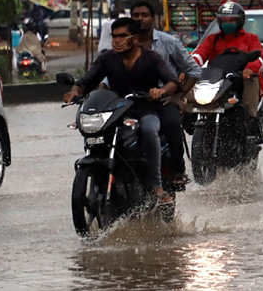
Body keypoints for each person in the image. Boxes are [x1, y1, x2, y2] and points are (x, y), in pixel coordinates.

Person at [64, 17, 179, 204]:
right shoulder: (107, 58)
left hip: (146, 110)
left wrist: (161, 91)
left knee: (149, 130)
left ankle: (156, 185)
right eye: (115, 36)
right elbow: (86, 81)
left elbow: (172, 81)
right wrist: (74, 92)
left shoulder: (151, 58)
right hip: (116, 112)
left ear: (134, 38)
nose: (117, 40)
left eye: (123, 36)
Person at [130, 0, 200, 186]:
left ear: (154, 18)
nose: (140, 19)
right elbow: (105, 73)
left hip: (164, 100)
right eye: (136, 15)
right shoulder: (124, 43)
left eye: (144, 15)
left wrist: (178, 95)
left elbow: (194, 71)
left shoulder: (169, 42)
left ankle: (178, 169)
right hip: (132, 100)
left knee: (171, 124)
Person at [193, 1, 263, 120]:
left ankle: (250, 118)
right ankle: (188, 114)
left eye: (231, 20)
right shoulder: (212, 39)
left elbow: (259, 57)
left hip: (240, 79)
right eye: (224, 20)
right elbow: (199, 54)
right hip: (216, 81)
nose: (227, 23)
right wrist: (188, 68)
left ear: (239, 21)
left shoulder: (250, 38)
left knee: (252, 79)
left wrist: (250, 69)